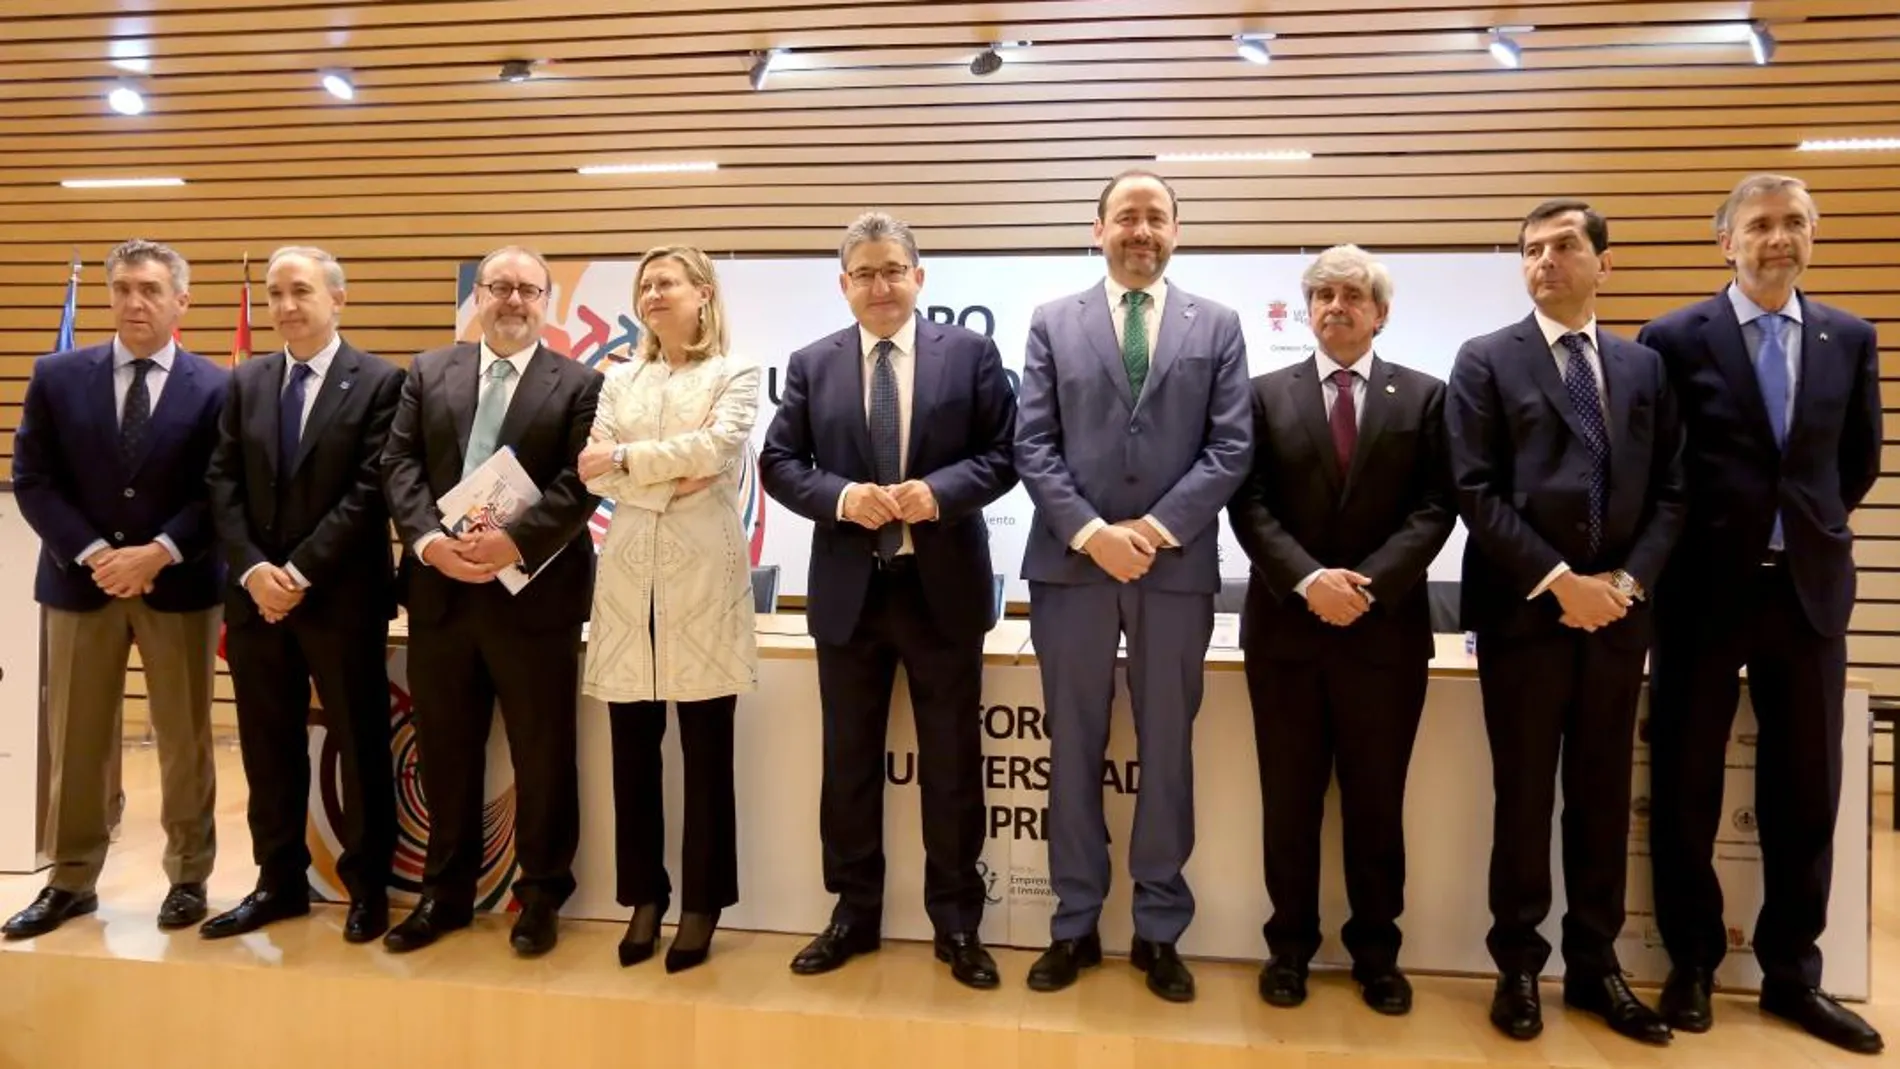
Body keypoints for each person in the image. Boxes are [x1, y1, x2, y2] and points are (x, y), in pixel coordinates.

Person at [1640, 174, 1884, 1055]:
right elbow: (1658, 465)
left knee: (1806, 788)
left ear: (1813, 235)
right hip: (1703, 591)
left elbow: (1854, 462)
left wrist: (1803, 532)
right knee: (1685, 786)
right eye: (1760, 225)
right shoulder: (1670, 338)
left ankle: (1792, 973)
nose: (1778, 238)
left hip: (1808, 592)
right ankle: (1693, 963)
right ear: (1726, 241)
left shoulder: (1850, 337)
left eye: (1794, 223)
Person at [1446, 199, 1684, 1045]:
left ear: (1603, 264)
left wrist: (1622, 581)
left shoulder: (1644, 368)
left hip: (1618, 617)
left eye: (1564, 246)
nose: (1545, 260)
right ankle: (1517, 966)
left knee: (1601, 797)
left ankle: (1595, 967)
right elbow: (1475, 491)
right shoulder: (1485, 359)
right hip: (1523, 617)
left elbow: (1671, 492)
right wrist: (1559, 582)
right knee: (1522, 798)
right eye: (1531, 250)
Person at [760, 212, 1018, 989]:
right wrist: (841, 498)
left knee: (950, 766)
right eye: (864, 273)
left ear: (919, 278)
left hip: (941, 594)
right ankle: (853, 914)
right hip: (849, 596)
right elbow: (779, 462)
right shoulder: (812, 363)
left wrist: (936, 492)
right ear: (844, 285)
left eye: (892, 270)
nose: (880, 285)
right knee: (847, 764)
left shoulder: (970, 355)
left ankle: (959, 922)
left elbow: (1005, 456)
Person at [1014, 170, 1252, 1002]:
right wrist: (1092, 533)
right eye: (1126, 217)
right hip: (1070, 568)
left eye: (1156, 218)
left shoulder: (1217, 326)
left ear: (1177, 231)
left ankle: (1159, 928)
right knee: (1071, 750)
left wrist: (1148, 533)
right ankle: (1073, 924)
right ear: (1097, 228)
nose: (1140, 231)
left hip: (1174, 568)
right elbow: (1032, 443)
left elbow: (1230, 448)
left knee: (1168, 752)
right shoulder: (1052, 321)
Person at [1227, 244, 1454, 1016]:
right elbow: (1248, 504)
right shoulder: (1261, 395)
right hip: (1287, 633)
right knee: (1288, 801)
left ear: (1379, 312)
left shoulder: (1425, 397)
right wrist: (1308, 580)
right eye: (1322, 294)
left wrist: (1368, 586)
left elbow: (1436, 507)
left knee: (1375, 802)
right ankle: (1288, 948)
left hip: (1384, 637)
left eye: (1352, 295)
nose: (1336, 306)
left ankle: (1376, 954)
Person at [380, 245, 602, 957]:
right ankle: (443, 895)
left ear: (546, 302)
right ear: (477, 297)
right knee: (444, 752)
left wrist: (514, 544)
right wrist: (426, 542)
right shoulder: (428, 370)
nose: (512, 300)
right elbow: (398, 463)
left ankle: (539, 895)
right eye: (499, 287)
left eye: (528, 290)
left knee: (543, 755)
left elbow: (580, 483)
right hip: (441, 592)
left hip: (535, 598)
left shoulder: (582, 382)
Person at [4, 239, 228, 939]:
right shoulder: (58, 374)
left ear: (181, 301)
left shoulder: (219, 386)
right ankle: (72, 880)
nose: (136, 301)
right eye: (125, 288)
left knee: (185, 736)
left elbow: (220, 487)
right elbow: (34, 478)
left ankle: (189, 873)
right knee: (77, 737)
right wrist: (98, 552)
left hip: (180, 582)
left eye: (152, 289)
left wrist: (157, 552)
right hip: (81, 582)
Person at [201, 246, 405, 944]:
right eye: (275, 293)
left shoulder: (381, 381)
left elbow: (372, 488)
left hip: (340, 597)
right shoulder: (246, 380)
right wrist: (256, 570)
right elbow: (221, 482)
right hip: (257, 601)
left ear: (337, 299)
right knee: (266, 745)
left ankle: (367, 886)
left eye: (301, 292)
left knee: (360, 743)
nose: (286, 306)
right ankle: (277, 879)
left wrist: (300, 571)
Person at [575, 246, 760, 974]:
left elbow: (715, 450)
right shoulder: (621, 377)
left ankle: (704, 902)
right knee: (632, 749)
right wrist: (653, 469)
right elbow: (594, 467)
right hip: (627, 580)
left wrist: (629, 463)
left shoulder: (735, 373)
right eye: (644, 285)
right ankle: (644, 896)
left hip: (703, 581)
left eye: (666, 283)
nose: (652, 294)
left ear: (703, 294)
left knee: (708, 753)